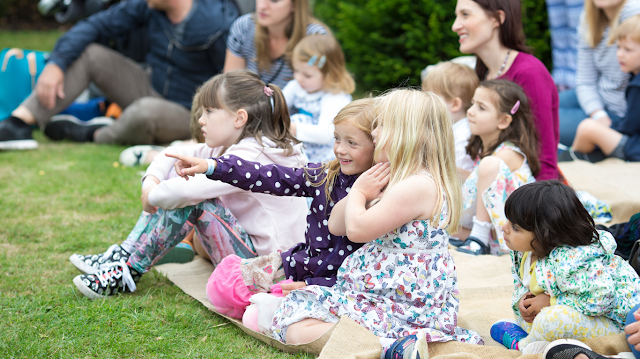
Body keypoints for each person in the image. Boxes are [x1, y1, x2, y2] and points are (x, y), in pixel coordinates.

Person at [264, 89, 484, 357]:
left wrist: (358, 192)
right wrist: (365, 187)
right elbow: (336, 225)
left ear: (406, 132)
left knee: (296, 325)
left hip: (399, 301)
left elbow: (356, 230)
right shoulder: (401, 178)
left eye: (381, 124)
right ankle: (391, 344)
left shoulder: (417, 185)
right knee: (298, 316)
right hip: (388, 294)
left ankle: (389, 347)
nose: (375, 132)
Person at [69, 70, 308, 299]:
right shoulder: (229, 145)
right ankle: (123, 257)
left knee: (194, 201)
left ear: (239, 118)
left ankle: (128, 270)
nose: (200, 119)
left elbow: (186, 192)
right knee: (179, 189)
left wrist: (151, 197)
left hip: (270, 270)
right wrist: (150, 183)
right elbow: (171, 154)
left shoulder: (250, 156)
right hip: (254, 255)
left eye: (209, 111)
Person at [166, 98, 376, 320]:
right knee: (224, 286)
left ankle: (281, 303)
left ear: (377, 145)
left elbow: (364, 267)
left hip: (335, 285)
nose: (340, 150)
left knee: (257, 316)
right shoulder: (324, 176)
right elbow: (267, 175)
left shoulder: (382, 195)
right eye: (336, 139)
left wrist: (311, 285)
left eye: (351, 143)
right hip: (298, 264)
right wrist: (212, 166)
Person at [0, 0, 238, 150]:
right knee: (91, 54)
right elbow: (93, 26)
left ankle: (93, 133)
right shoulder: (148, 6)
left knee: (145, 111)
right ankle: (18, 122)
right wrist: (56, 64)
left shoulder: (217, 24)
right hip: (149, 86)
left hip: (190, 111)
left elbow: (232, 86)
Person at [490, 180, 640, 354]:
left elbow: (601, 299)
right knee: (534, 314)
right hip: (578, 310)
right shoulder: (524, 250)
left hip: (617, 322)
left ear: (544, 234)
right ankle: (539, 336)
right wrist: (523, 301)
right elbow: (521, 283)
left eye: (515, 227)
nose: (504, 228)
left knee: (551, 320)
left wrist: (551, 301)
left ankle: (524, 345)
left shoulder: (572, 258)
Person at [452, 0, 560, 181]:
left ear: (496, 18)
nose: (455, 26)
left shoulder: (529, 73)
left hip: (523, 198)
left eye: (465, 14)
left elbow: (545, 162)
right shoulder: (483, 72)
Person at [452, 80, 539, 256]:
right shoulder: (481, 151)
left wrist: (446, 167)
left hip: (515, 225)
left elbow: (478, 180)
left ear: (503, 120)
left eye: (481, 108)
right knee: (443, 225)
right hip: (495, 226)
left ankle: (479, 238)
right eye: (473, 104)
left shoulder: (508, 154)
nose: (470, 111)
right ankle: (476, 238)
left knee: (489, 164)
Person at [558, 0, 640, 146]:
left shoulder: (634, 13)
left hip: (621, 113)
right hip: (598, 96)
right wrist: (597, 113)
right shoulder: (589, 18)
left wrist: (604, 126)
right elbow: (585, 80)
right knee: (534, 105)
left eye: (625, 49)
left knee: (537, 121)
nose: (620, 53)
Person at [223, 0, 328, 89]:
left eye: (274, 0)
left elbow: (322, 94)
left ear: (295, 4)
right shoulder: (244, 27)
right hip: (248, 110)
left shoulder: (315, 37)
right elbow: (230, 86)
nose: (261, 6)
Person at [283, 34, 354, 163]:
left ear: (330, 75)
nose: (298, 78)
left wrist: (291, 127)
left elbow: (325, 134)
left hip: (324, 153)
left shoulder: (334, 96)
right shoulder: (297, 85)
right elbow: (276, 104)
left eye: (307, 75)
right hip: (302, 145)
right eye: (296, 71)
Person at [422, 61, 479, 174]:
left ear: (455, 104)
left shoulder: (463, 137)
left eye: (430, 98)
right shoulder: (453, 130)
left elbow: (453, 176)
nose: (423, 102)